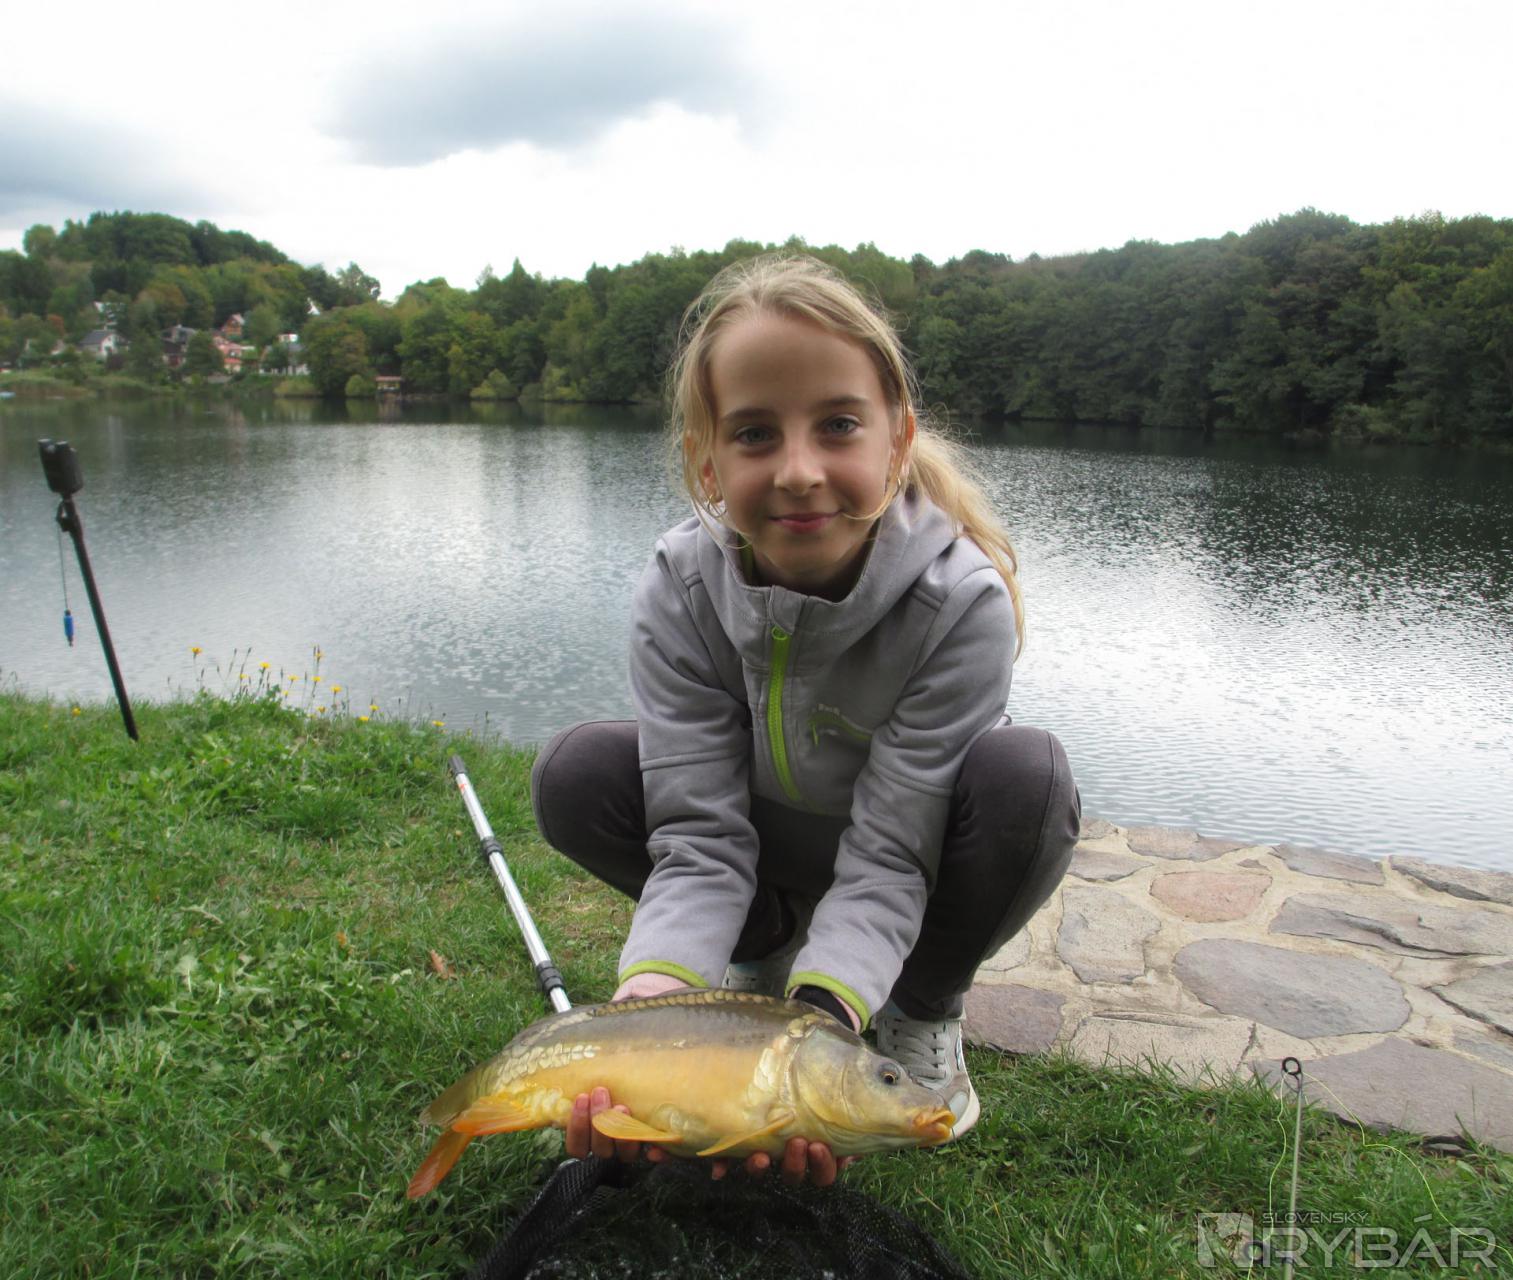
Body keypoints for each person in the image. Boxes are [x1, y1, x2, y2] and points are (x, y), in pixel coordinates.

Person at [531, 255, 1079, 1184]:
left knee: (1027, 780)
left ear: (897, 442)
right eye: (754, 433)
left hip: (910, 856)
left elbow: (892, 851)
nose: (797, 471)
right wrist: (650, 1010)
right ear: (707, 463)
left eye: (838, 425)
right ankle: (753, 963)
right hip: (760, 847)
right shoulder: (678, 585)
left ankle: (918, 1005)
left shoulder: (961, 604)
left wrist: (822, 1034)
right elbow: (697, 837)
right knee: (575, 775)